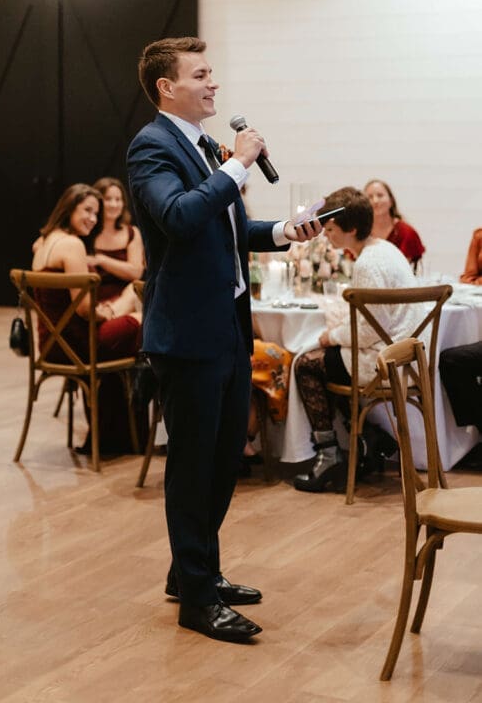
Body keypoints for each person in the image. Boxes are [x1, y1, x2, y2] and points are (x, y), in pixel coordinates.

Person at [127, 36, 321, 644]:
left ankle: (193, 573)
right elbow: (180, 218)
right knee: (192, 467)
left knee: (222, 461)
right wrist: (237, 165)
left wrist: (284, 231)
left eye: (212, 73)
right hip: (187, 332)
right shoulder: (151, 146)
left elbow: (227, 227)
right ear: (167, 87)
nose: (214, 83)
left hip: (228, 326)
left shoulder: (204, 147)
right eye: (201, 74)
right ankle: (197, 599)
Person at [293, 186, 421, 493]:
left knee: (306, 364)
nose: (326, 237)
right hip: (407, 355)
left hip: (386, 361)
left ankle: (329, 454)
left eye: (330, 229)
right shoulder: (385, 249)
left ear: (350, 229)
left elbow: (367, 332)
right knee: (328, 362)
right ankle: (367, 438)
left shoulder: (368, 263)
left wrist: (331, 336)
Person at [31, 183, 142, 453]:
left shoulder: (43, 242)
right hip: (78, 345)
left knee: (133, 320)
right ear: (69, 208)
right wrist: (107, 311)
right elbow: (84, 310)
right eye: (87, 211)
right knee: (143, 322)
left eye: (96, 213)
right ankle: (136, 433)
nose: (93, 219)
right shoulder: (72, 245)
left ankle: (115, 433)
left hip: (51, 344)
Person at [87, 176, 145, 306]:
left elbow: (136, 272)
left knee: (133, 290)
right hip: (91, 300)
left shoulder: (132, 232)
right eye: (108, 199)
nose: (114, 204)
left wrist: (101, 260)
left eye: (118, 199)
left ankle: (111, 313)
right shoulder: (86, 231)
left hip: (125, 300)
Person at [364, 179, 425, 271]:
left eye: (380, 195)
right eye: (370, 197)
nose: (375, 201)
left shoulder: (407, 232)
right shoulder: (359, 233)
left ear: (391, 200)